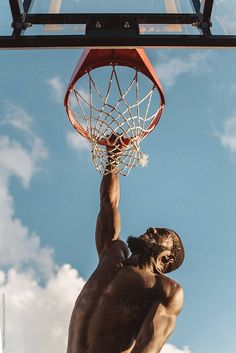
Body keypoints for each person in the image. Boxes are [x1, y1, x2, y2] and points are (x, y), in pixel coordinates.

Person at [67, 154, 185, 353]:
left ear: (168, 257)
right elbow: (108, 203)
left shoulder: (165, 290)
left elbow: (147, 348)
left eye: (160, 233)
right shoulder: (113, 254)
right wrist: (112, 158)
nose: (151, 229)